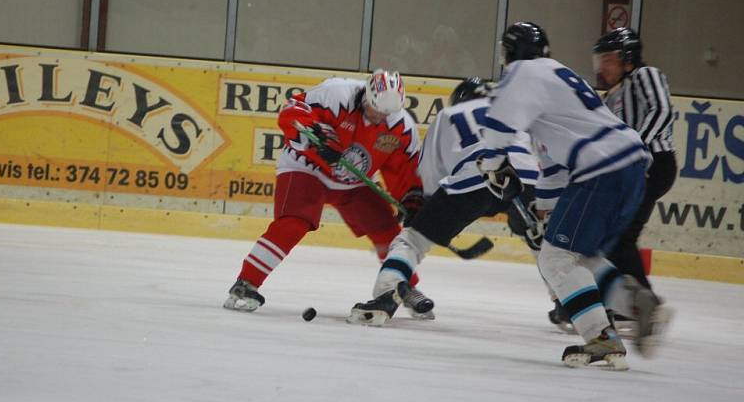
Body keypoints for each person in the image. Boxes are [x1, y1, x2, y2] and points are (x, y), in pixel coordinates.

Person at [473, 21, 672, 370]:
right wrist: (547, 208)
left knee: (555, 259)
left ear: (508, 53)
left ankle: (602, 338)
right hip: (632, 166)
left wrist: (490, 164)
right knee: (583, 256)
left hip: (601, 169)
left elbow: (498, 130)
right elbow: (553, 163)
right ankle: (639, 304)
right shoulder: (559, 75)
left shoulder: (522, 74)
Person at [225, 70, 429, 317]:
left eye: (385, 113)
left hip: (354, 182)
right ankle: (246, 284)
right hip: (307, 166)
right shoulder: (336, 93)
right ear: (367, 94)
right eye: (374, 109)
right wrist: (315, 137)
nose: (378, 117)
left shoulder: (401, 127)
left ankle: (406, 289)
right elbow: (292, 111)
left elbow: (405, 171)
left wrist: (412, 199)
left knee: (388, 231)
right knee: (294, 223)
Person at [346, 77, 544, 326]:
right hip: (531, 179)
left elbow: (431, 173)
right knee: (550, 245)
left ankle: (387, 295)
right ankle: (571, 305)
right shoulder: (515, 114)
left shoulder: (449, 114)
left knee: (412, 239)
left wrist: (423, 208)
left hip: (476, 176)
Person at [548, 28, 678, 333]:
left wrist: (638, 148)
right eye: (599, 59)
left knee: (620, 237)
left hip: (653, 163)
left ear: (628, 59)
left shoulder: (646, 75)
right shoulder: (614, 95)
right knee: (615, 237)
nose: (601, 67)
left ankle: (642, 306)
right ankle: (636, 304)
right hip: (635, 166)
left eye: (608, 59)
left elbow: (663, 110)